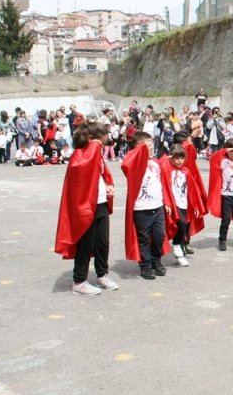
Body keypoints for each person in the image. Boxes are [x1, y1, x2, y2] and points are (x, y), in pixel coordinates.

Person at [54, 121, 118, 296]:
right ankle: (79, 281)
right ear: (91, 139)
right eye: (100, 141)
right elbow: (82, 168)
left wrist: (108, 185)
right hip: (85, 206)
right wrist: (95, 146)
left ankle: (102, 275)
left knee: (103, 243)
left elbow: (101, 173)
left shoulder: (95, 154)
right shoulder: (80, 154)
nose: (102, 144)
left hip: (100, 202)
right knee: (85, 244)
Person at [121, 132, 167, 280]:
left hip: (158, 205)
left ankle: (156, 260)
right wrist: (139, 151)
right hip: (141, 207)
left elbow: (162, 183)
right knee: (143, 238)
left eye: (152, 143)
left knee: (159, 235)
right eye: (147, 143)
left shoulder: (155, 162)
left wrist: (166, 202)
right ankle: (145, 265)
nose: (151, 146)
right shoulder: (133, 162)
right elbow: (125, 165)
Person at [159, 144, 205, 267]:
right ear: (171, 158)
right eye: (176, 158)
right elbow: (160, 166)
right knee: (180, 223)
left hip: (184, 204)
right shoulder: (168, 171)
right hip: (174, 204)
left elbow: (192, 190)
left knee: (184, 226)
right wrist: (166, 159)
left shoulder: (186, 172)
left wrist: (195, 206)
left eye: (181, 158)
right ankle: (177, 246)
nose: (179, 161)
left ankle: (179, 247)